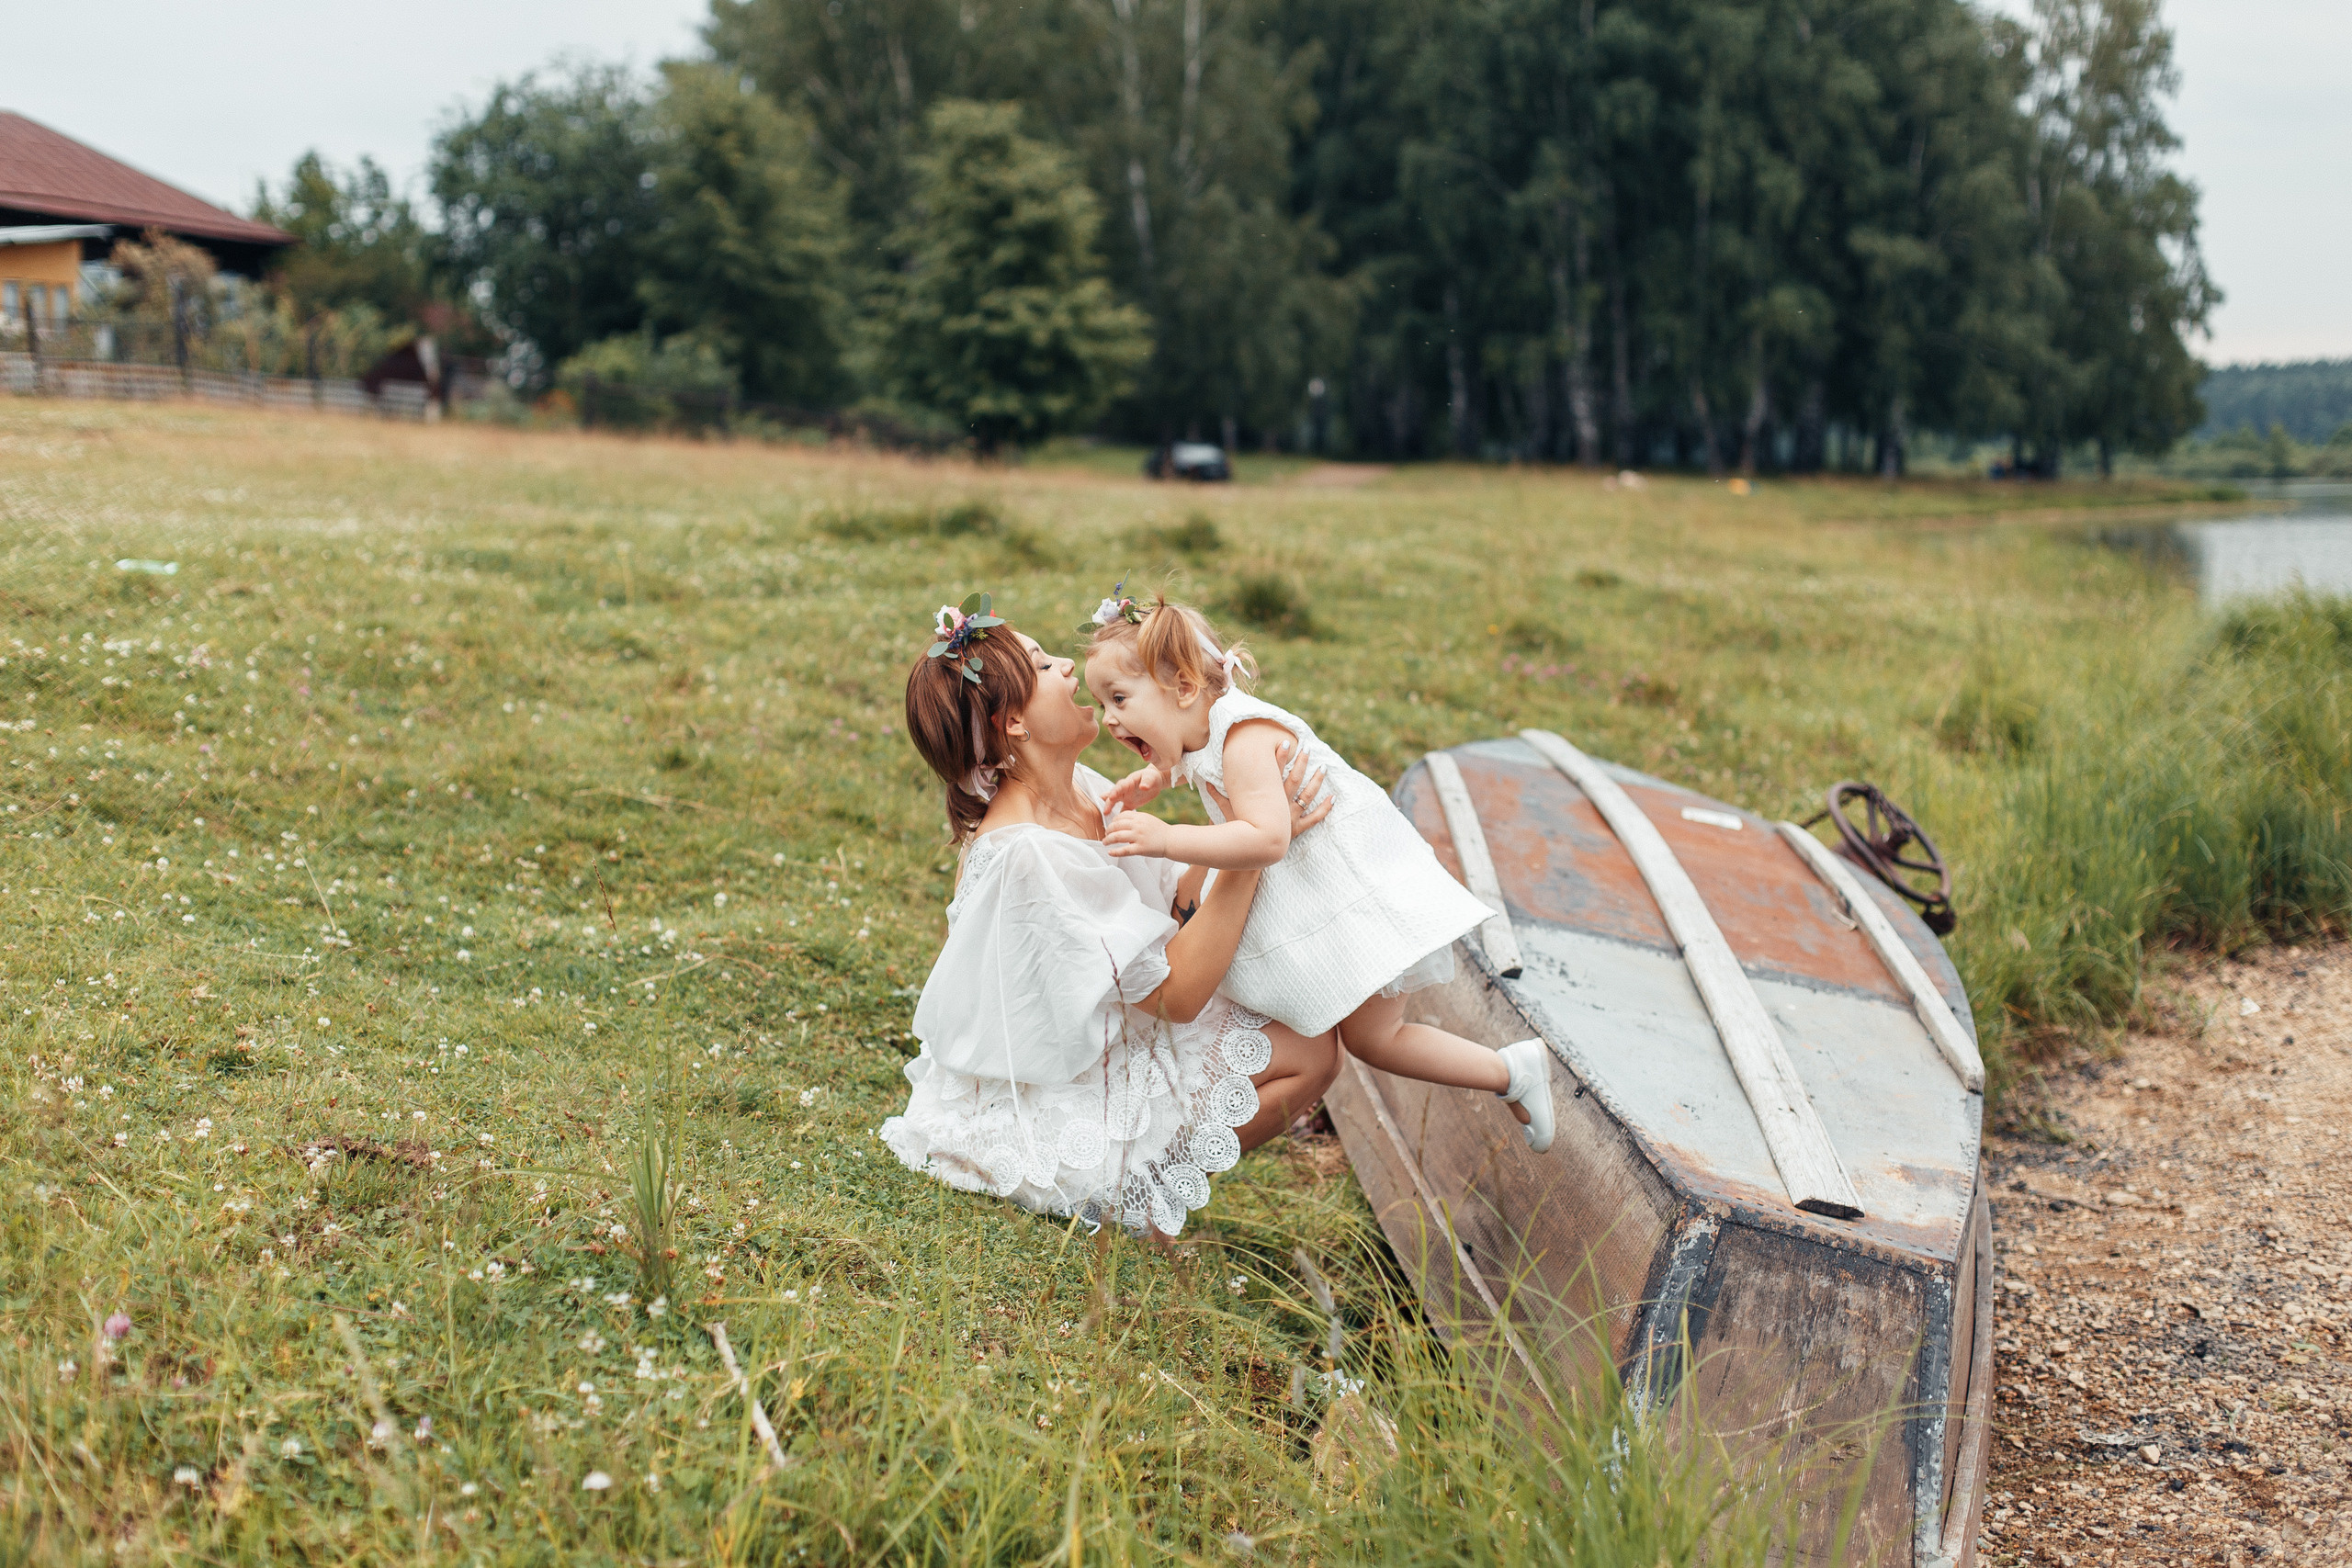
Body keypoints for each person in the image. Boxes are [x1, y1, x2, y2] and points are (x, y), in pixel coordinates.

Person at [879, 593, 1340, 1237]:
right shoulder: (1028, 854)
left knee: (1308, 1025)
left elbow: (1173, 911)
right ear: (1013, 723)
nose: (1068, 667)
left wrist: (1242, 819)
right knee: (1310, 1053)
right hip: (1068, 1086)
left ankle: (1148, 1183)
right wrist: (1257, 847)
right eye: (1043, 666)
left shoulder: (1081, 787)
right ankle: (1133, 1194)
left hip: (1109, 1029)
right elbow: (1175, 996)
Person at [1081, 590, 1555, 1152]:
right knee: (1372, 1040)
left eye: (1118, 699)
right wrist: (1159, 777)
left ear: (1184, 688)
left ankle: (1512, 1073)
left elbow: (1268, 837)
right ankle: (1511, 1072)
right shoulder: (1211, 732)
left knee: (1377, 1040)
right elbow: (1200, 762)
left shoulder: (1244, 738)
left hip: (1360, 897)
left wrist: (1169, 838)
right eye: (1104, 705)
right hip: (1333, 899)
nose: (1109, 720)